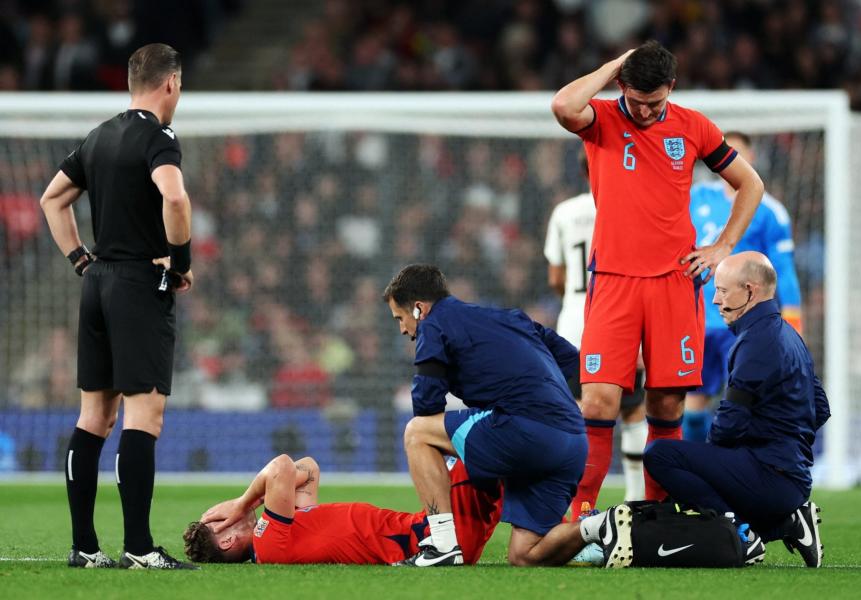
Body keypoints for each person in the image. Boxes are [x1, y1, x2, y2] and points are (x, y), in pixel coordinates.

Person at [550, 40, 764, 510]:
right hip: (613, 280)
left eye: (656, 102)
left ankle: (655, 516)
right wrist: (613, 66)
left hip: (673, 282)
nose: (646, 113)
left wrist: (723, 247)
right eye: (638, 101)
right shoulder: (602, 119)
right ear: (622, 86)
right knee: (598, 403)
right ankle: (577, 517)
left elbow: (751, 183)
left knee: (666, 408)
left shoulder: (693, 126)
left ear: (672, 86)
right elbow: (564, 104)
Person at [39, 43, 195, 569]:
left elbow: (51, 199)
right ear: (169, 83)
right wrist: (180, 261)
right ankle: (139, 547)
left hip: (98, 283)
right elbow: (173, 197)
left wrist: (80, 259)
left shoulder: (99, 135)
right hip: (138, 283)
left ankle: (85, 547)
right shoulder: (158, 136)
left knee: (93, 417)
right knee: (143, 416)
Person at [383, 264, 633, 568]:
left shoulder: (434, 324)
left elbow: (425, 403)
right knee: (525, 554)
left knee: (416, 432)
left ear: (420, 309)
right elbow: (573, 360)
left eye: (401, 318)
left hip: (526, 431)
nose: (403, 329)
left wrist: (456, 454)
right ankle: (597, 527)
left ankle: (442, 546)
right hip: (572, 441)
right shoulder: (509, 317)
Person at [644, 252, 830, 568]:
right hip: (789, 474)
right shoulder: (788, 335)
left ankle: (742, 534)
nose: (716, 301)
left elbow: (730, 423)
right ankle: (784, 525)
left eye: (723, 291)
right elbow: (821, 408)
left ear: (750, 290)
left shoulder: (757, 341)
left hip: (771, 476)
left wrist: (707, 473)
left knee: (660, 455)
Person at [685, 131, 803, 442]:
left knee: (740, 404)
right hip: (695, 319)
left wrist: (792, 322)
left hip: (743, 325)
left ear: (750, 159)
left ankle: (743, 478)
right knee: (689, 405)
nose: (731, 160)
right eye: (726, 153)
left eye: (738, 153)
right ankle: (696, 476)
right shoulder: (696, 198)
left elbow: (785, 271)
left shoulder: (769, 211)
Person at [543, 153, 647, 503]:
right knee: (633, 410)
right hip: (621, 325)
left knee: (577, 414)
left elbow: (556, 277)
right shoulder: (632, 208)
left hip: (574, 326)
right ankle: (637, 502)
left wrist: (577, 300)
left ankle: (573, 508)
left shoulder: (564, 212)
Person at [185, 454, 501, 565]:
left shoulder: (289, 531)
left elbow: (308, 469)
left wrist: (255, 500)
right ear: (227, 541)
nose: (222, 512)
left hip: (439, 530)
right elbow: (281, 465)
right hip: (434, 539)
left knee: (501, 464)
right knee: (456, 442)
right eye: (217, 520)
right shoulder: (269, 545)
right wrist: (243, 504)